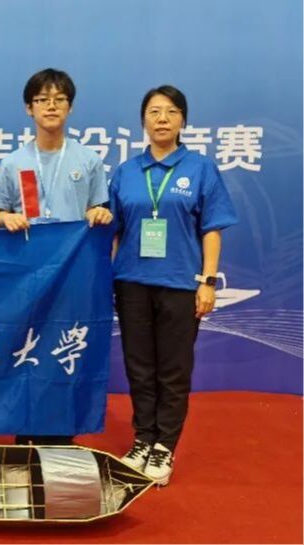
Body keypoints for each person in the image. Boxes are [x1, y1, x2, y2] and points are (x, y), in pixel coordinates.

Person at [110, 85, 237, 485]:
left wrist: (208, 281)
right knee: (139, 367)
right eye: (153, 111)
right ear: (143, 121)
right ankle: (142, 440)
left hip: (181, 284)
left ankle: (164, 445)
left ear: (183, 120)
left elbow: (212, 229)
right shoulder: (126, 172)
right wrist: (109, 276)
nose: (162, 118)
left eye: (170, 111)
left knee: (173, 369)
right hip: (132, 282)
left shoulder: (200, 168)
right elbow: (115, 232)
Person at [0, 68, 112, 446]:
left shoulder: (88, 160)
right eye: (42, 100)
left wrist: (99, 213)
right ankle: (24, 433)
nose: (51, 106)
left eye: (59, 99)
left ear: (70, 107)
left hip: (73, 275)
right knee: (26, 350)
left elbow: (98, 209)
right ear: (29, 108)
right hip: (26, 275)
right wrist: (7, 218)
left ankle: (62, 436)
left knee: (65, 348)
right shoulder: (14, 162)